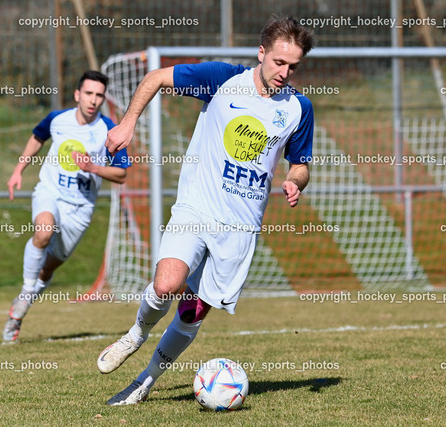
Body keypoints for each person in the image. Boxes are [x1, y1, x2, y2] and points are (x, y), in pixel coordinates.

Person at [96, 15, 316, 405]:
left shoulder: (299, 108)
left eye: (293, 66)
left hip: (240, 228)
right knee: (166, 284)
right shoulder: (222, 79)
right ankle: (135, 334)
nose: (285, 72)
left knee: (192, 312)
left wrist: (294, 181)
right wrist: (128, 123)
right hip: (196, 208)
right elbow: (156, 78)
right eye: (279, 62)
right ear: (261, 53)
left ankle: (145, 381)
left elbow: (300, 163)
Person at [3, 70, 131, 341]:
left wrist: (93, 167)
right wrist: (18, 170)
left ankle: (17, 314)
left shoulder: (110, 130)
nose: (93, 100)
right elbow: (37, 137)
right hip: (50, 193)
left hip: (80, 209)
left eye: (99, 95)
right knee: (44, 232)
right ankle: (26, 292)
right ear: (77, 95)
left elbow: (122, 174)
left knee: (48, 269)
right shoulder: (57, 120)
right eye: (88, 93)